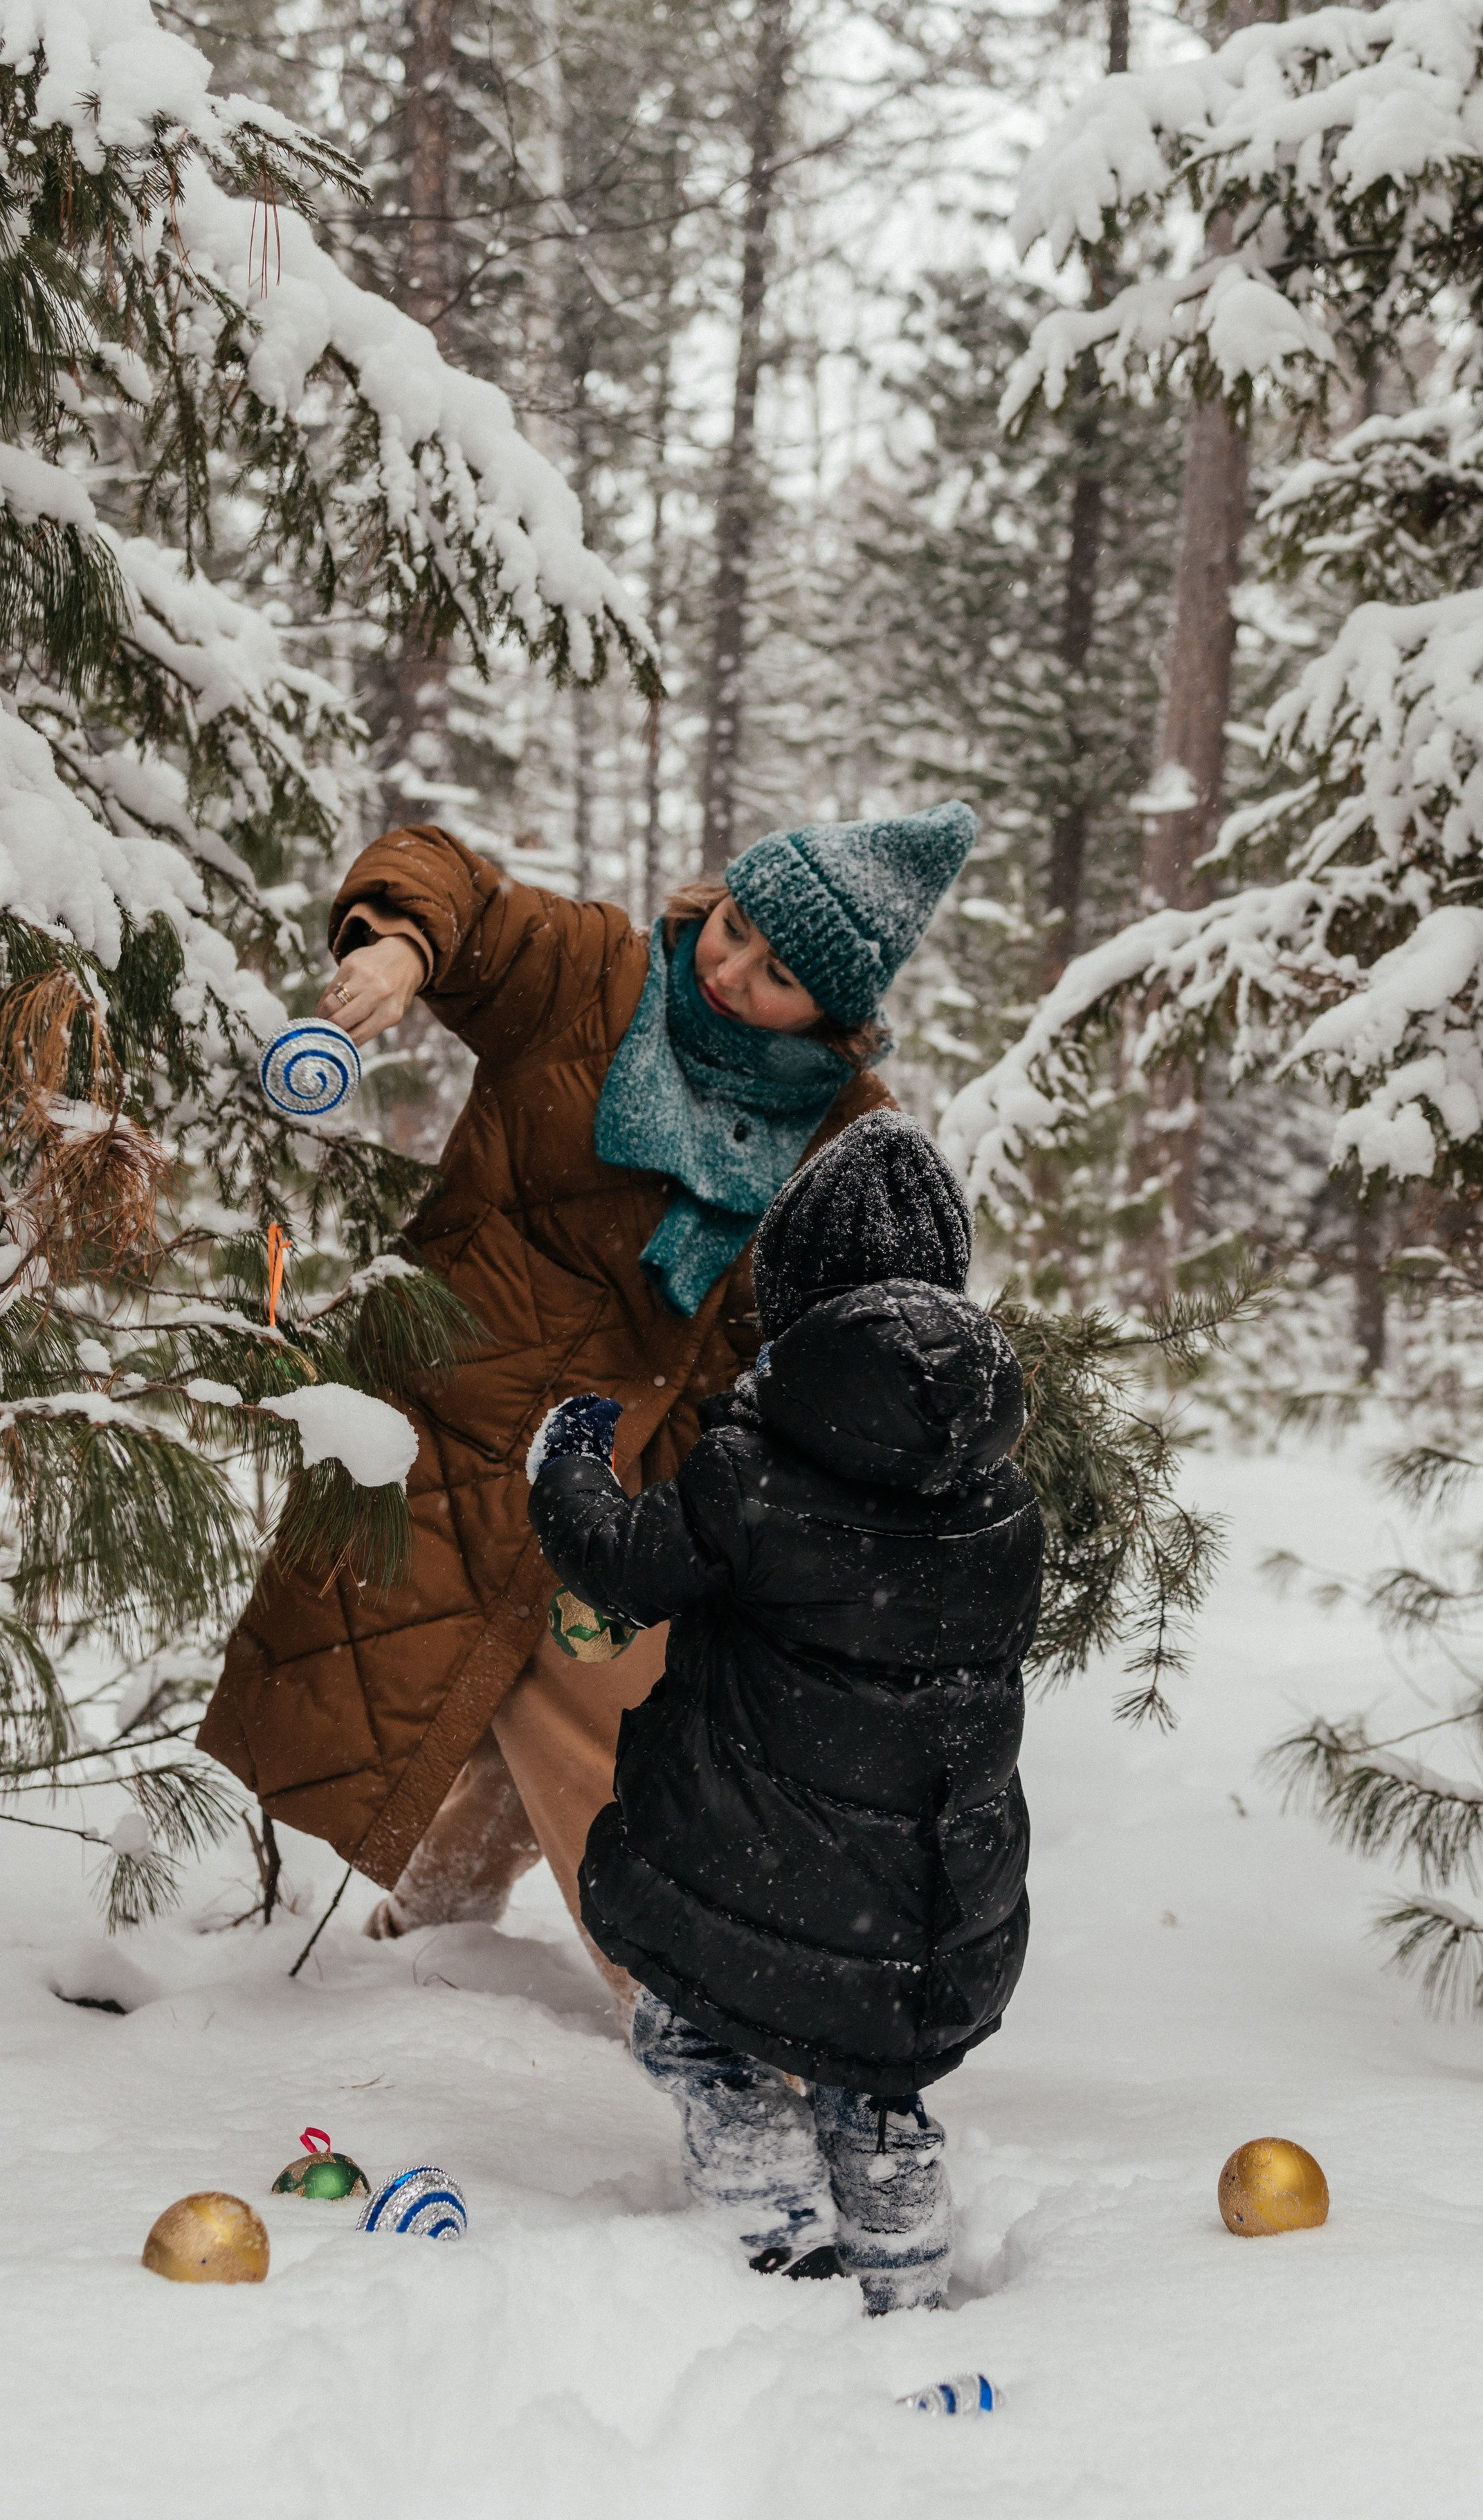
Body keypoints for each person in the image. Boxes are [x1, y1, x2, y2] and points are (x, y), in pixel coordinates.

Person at [197, 805, 979, 1968]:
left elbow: (848, 1335)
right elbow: (454, 881)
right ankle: (661, 2007)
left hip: (639, 1490)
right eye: (735, 927)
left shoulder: (847, 1133)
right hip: (458, 1425)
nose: (731, 971)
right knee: (556, 1726)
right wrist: (403, 944)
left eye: (778, 976)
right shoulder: (595, 979)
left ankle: (609, 1991)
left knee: (617, 1745)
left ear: (840, 1013)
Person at [527, 1114, 1043, 2312]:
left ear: (796, 1299)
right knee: (873, 2068)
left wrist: (567, 1466)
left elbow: (620, 1562)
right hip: (935, 1910)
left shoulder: (752, 1478)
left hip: (764, 1878)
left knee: (698, 2030)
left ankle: (773, 2223)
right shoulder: (998, 1491)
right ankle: (901, 2240)